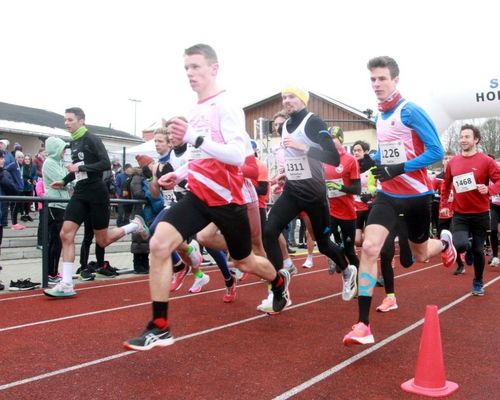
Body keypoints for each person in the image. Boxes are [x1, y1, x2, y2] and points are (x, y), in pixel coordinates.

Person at [123, 44, 289, 351]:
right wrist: (182, 173)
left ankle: (278, 282)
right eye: (186, 67)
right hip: (198, 196)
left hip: (229, 200)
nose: (190, 73)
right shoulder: (194, 111)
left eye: (196, 67)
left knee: (245, 259)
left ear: (213, 69)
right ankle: (159, 326)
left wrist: (193, 137)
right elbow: (201, 154)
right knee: (159, 243)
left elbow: (239, 156)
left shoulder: (226, 107)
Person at [343, 56, 453, 346]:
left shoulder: (411, 111)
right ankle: (363, 325)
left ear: (395, 80)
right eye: (372, 79)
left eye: (382, 78)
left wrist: (399, 168)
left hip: (417, 196)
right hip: (388, 195)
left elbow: (436, 152)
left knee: (420, 255)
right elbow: (391, 151)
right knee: (368, 247)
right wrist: (373, 159)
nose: (377, 84)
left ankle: (444, 243)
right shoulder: (379, 116)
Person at [262, 85, 358, 304]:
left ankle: (347, 271)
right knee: (269, 231)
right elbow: (296, 161)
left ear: (303, 100)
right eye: (283, 97)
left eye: (291, 96)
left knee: (323, 244)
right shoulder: (285, 125)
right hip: (293, 191)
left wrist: (302, 146)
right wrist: (285, 175)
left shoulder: (313, 122)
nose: (287, 100)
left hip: (315, 195)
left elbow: (332, 157)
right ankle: (278, 290)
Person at [44, 107, 148, 298]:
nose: (66, 123)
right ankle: (66, 283)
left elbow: (105, 164)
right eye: (65, 120)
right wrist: (65, 181)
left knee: (103, 240)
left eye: (70, 120)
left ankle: (134, 225)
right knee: (66, 234)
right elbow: (77, 170)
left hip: (97, 193)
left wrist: (80, 166)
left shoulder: (92, 139)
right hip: (80, 192)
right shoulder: (73, 142)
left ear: (81, 120)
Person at [439, 124, 500, 296]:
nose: (463, 140)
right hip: (460, 214)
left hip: (480, 214)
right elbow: (446, 185)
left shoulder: (487, 161)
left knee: (479, 251)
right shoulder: (453, 162)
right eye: (461, 137)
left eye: (467, 137)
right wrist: (444, 205)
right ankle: (469, 246)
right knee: (460, 244)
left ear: (476, 140)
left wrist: (489, 189)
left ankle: (478, 281)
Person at [323, 126, 361, 270]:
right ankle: (338, 260)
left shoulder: (350, 159)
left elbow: (356, 189)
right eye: (328, 139)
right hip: (330, 210)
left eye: (333, 138)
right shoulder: (324, 159)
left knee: (350, 251)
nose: (330, 142)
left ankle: (358, 282)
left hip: (347, 212)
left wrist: (339, 187)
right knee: (324, 243)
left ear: (340, 139)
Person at [42, 137, 70, 284]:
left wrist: (68, 180)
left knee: (58, 240)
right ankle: (50, 273)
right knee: (55, 240)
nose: (64, 152)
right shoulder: (49, 163)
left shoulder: (59, 163)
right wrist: (68, 180)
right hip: (53, 204)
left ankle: (53, 272)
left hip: (62, 204)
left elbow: (69, 180)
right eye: (62, 149)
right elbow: (61, 180)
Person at [351, 140, 375, 247]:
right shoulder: (351, 167)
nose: (356, 152)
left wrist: (370, 195)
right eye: (354, 150)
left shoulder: (373, 167)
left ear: (365, 152)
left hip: (370, 205)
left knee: (368, 240)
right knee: (357, 241)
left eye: (358, 150)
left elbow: (380, 186)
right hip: (356, 206)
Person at [20, 154, 38, 222]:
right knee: (23, 201)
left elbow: (35, 174)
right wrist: (25, 180)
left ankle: (27, 215)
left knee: (29, 201)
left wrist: (34, 179)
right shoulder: (22, 166)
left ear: (30, 160)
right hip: (23, 185)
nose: (27, 160)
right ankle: (22, 215)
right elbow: (21, 176)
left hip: (30, 186)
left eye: (28, 159)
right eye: (26, 159)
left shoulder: (33, 166)